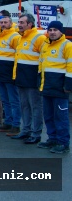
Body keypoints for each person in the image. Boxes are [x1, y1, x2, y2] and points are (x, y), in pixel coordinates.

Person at [12, 14, 47, 144]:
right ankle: (25, 130)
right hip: (21, 76)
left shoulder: (39, 38)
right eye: (19, 22)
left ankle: (36, 133)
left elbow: (44, 58)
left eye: (22, 22)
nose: (19, 24)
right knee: (24, 105)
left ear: (29, 24)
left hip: (33, 78)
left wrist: (40, 77)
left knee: (35, 107)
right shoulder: (21, 37)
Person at [37, 21, 71, 154]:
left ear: (61, 32)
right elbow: (41, 64)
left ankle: (63, 143)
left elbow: (71, 66)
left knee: (61, 117)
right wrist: (40, 81)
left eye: (55, 30)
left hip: (60, 88)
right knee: (49, 116)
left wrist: (68, 85)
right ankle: (52, 139)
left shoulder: (67, 45)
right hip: (47, 86)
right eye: (50, 29)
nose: (52, 32)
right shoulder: (45, 45)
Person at [0, 14, 21, 135]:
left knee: (14, 100)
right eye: (1, 22)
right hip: (0, 73)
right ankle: (8, 122)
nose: (3, 24)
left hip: (10, 74)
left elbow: (18, 56)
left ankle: (16, 125)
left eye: (5, 22)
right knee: (5, 100)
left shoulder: (15, 36)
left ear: (10, 23)